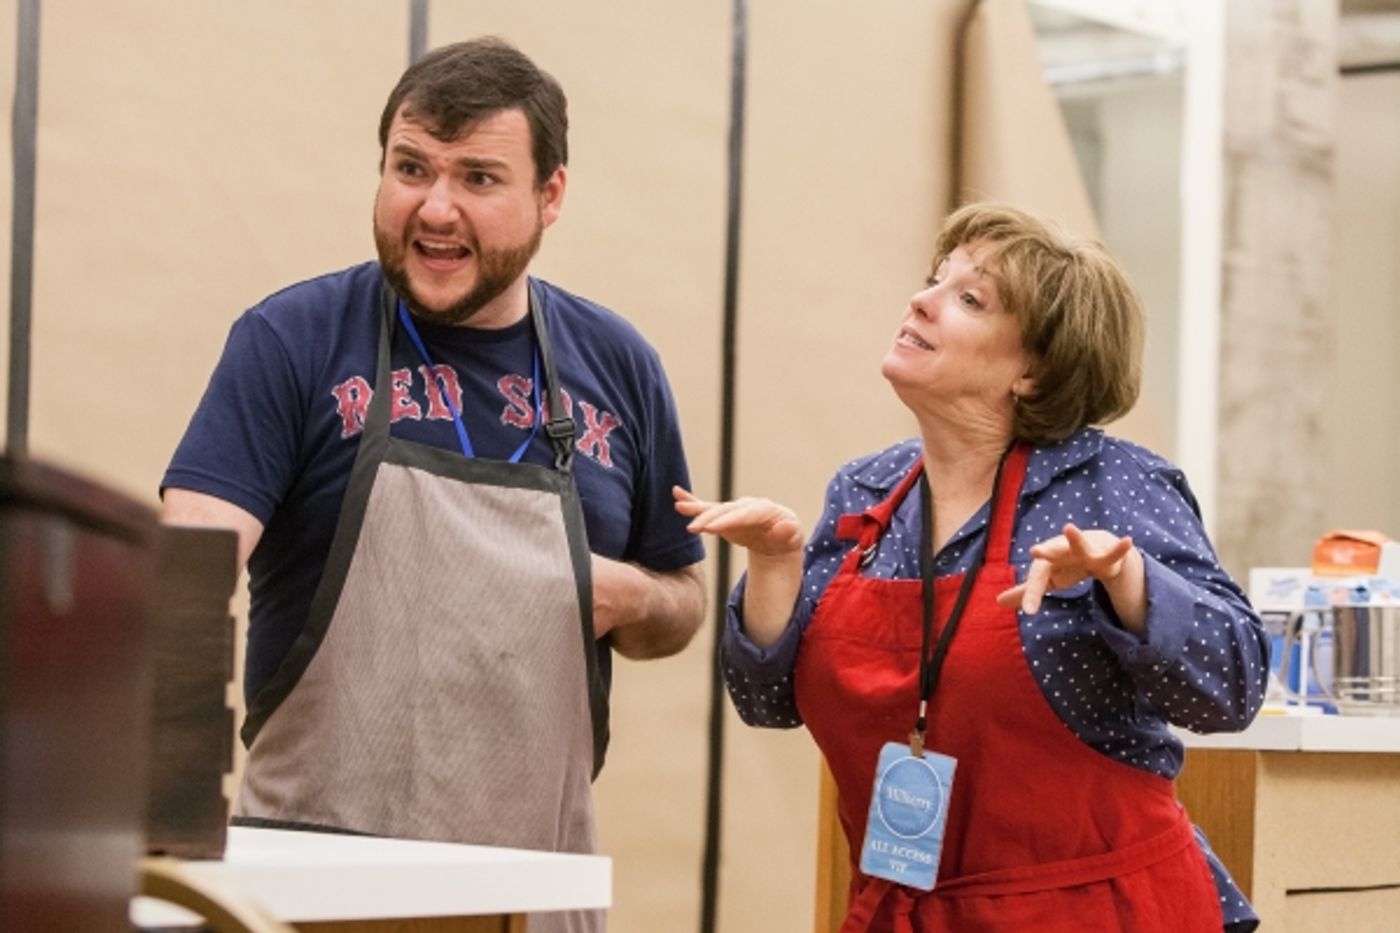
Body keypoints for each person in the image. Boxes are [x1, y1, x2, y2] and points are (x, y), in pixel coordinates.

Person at [161, 37, 706, 933]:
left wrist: (633, 595)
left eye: (479, 179)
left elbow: (682, 601)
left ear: (551, 196)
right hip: (313, 889)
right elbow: (184, 580)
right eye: (410, 168)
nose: (436, 208)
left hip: (534, 891)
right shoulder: (290, 341)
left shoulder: (620, 368)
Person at [676, 202, 1266, 932]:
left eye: (968, 299)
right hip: (908, 908)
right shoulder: (866, 494)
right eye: (934, 279)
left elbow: (1233, 687)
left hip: (1096, 911)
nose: (920, 301)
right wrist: (774, 565)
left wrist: (1128, 580)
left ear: (1034, 370)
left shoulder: (1112, 484)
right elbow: (765, 701)